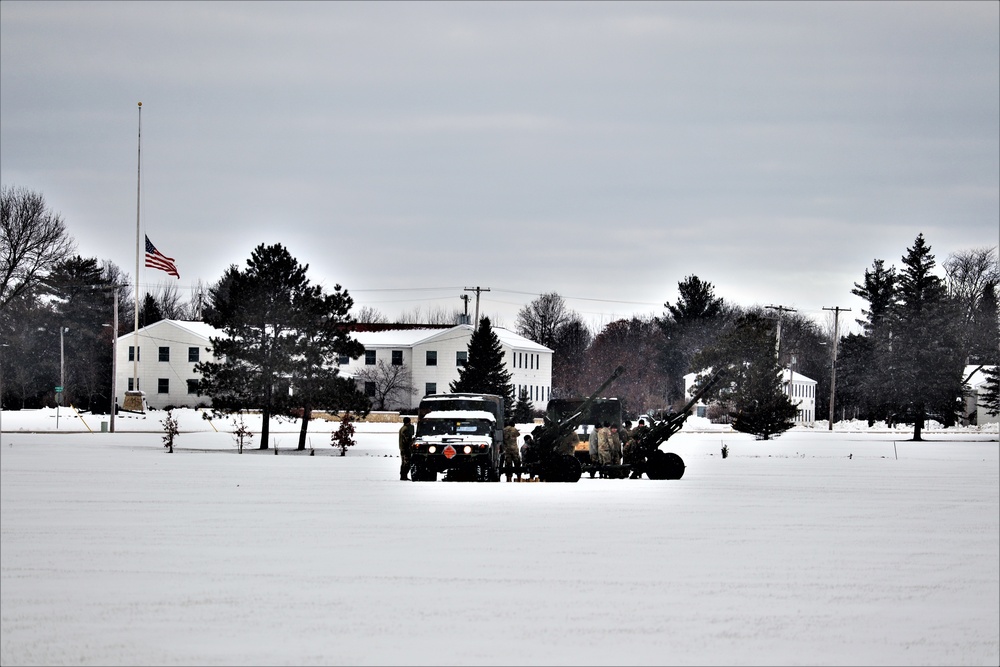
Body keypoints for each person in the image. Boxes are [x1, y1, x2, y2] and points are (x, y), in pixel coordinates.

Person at [398, 416, 414, 481]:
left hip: (402, 448)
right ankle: (404, 476)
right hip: (406, 448)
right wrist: (412, 441)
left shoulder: (402, 428)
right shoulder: (406, 429)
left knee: (403, 462)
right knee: (407, 462)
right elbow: (407, 439)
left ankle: (403, 476)